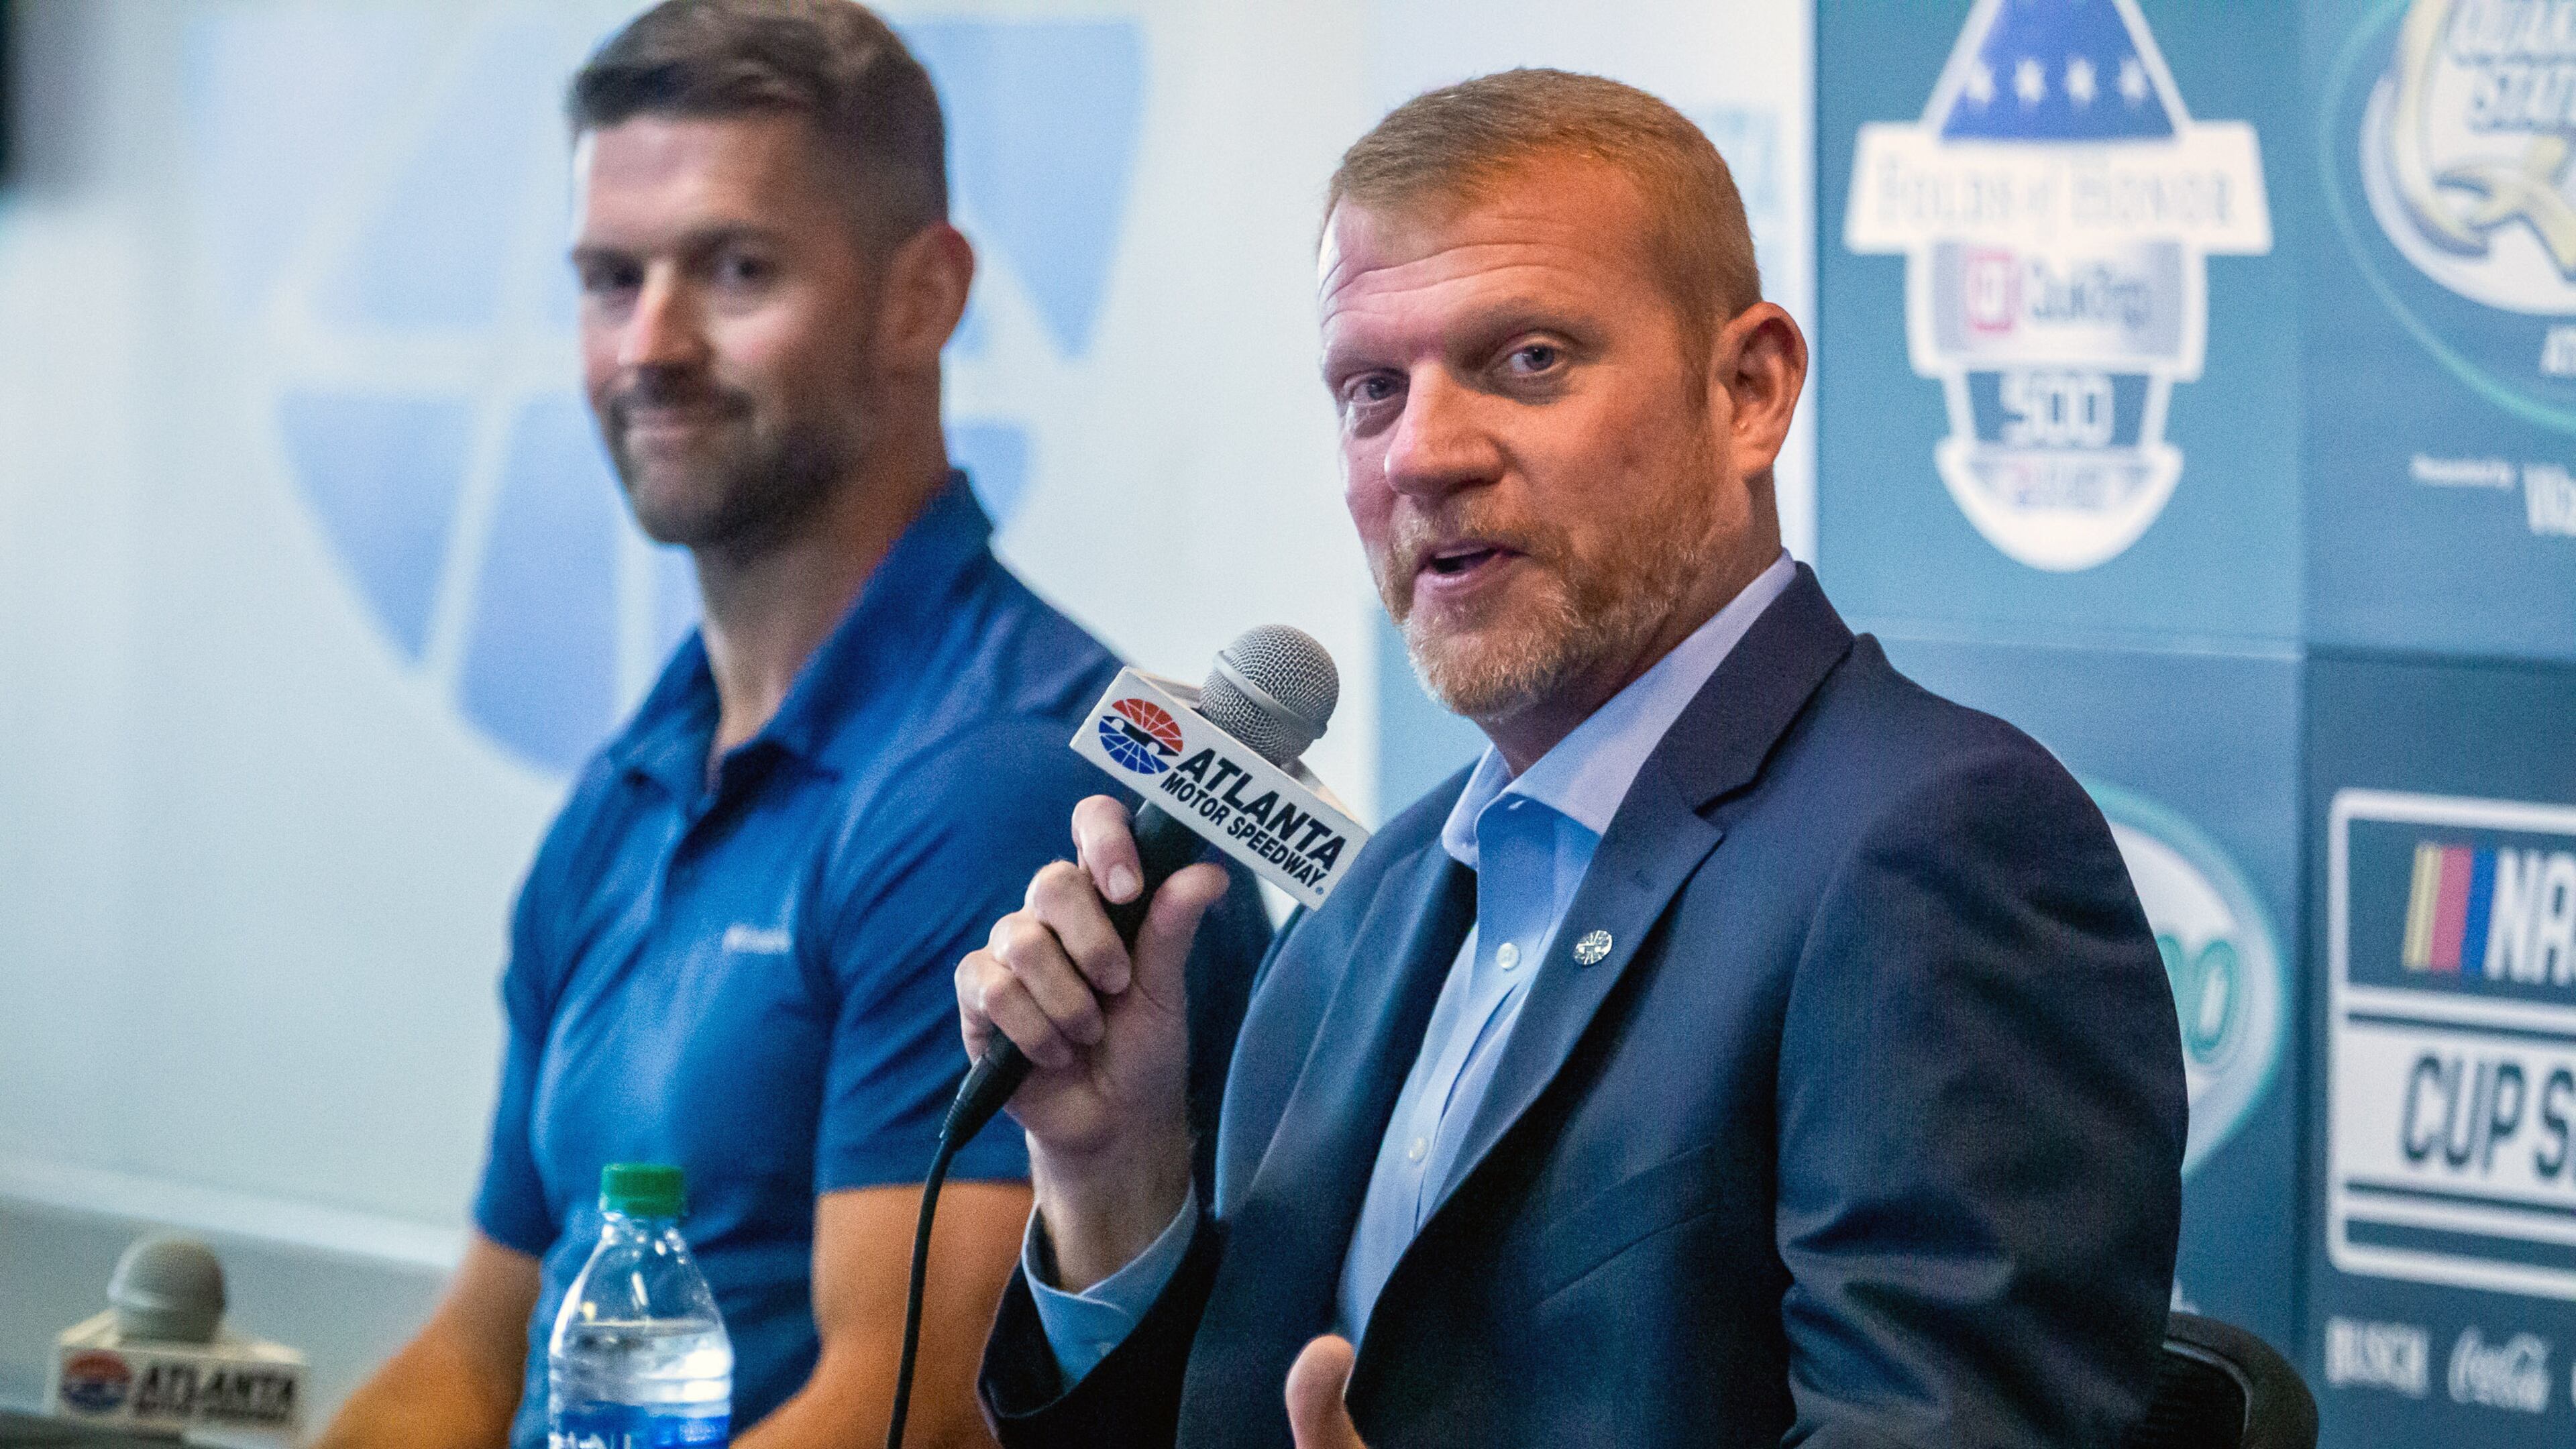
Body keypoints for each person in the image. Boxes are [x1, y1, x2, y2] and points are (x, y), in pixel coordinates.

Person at [955, 69, 2186, 1449]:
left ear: (1751, 390)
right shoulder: (1367, 912)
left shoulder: (1940, 845)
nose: (1424, 453)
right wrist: (1108, 1176)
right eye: (1371, 389)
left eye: (1526, 359)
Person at [315, 4, 1270, 1447]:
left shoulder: (1012, 781)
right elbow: (475, 1353)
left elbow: (911, 1420)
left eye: (736, 269)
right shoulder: (635, 785)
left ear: (923, 298)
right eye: (608, 278)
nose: (651, 345)